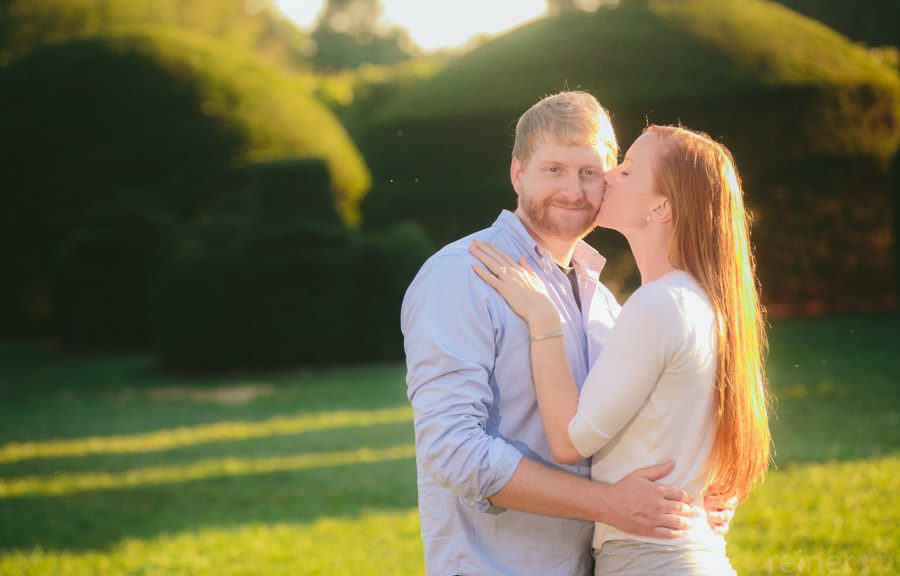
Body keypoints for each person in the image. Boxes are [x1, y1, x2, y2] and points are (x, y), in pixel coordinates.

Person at [401, 92, 734, 576]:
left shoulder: (605, 304)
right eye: (553, 170)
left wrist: (698, 490)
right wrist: (608, 504)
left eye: (589, 172)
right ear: (517, 173)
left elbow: (632, 429)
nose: (574, 191)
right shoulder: (462, 275)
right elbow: (451, 450)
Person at [468, 124, 771, 575]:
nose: (608, 176)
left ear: (660, 206)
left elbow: (571, 440)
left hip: (651, 559)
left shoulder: (659, 303)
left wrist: (543, 317)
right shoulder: (700, 302)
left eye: (627, 171)